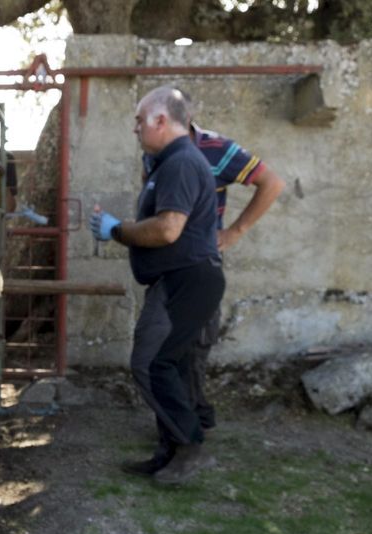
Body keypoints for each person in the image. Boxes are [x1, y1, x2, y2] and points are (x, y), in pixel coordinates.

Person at [91, 86, 224, 484]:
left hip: (186, 279)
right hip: (184, 279)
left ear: (161, 121)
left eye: (139, 121)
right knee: (172, 364)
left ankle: (189, 447)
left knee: (150, 363)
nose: (135, 130)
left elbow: (168, 229)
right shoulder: (170, 163)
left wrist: (118, 230)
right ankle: (170, 451)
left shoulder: (181, 163)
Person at [143, 97, 285, 435]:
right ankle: (181, 426)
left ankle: (188, 435)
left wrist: (235, 231)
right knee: (165, 350)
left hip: (199, 267)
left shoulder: (216, 148)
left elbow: (272, 183)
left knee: (191, 351)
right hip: (169, 266)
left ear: (179, 119)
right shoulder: (153, 154)